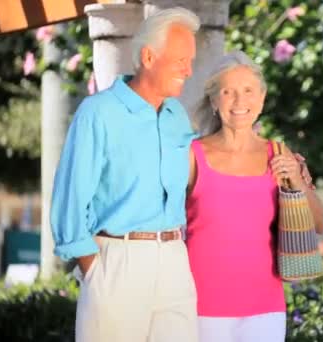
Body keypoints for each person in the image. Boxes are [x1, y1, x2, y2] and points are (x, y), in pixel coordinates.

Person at [50, 7, 200, 342]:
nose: (189, 71)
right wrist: (94, 269)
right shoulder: (98, 112)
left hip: (175, 260)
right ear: (149, 57)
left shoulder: (176, 115)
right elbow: (70, 198)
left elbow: (199, 172)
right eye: (181, 60)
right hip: (118, 261)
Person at [185, 50, 323, 341]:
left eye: (248, 91)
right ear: (214, 100)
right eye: (228, 92)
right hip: (199, 306)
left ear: (261, 100)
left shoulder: (279, 153)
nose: (239, 102)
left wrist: (298, 180)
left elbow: (319, 224)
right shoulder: (191, 155)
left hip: (265, 308)